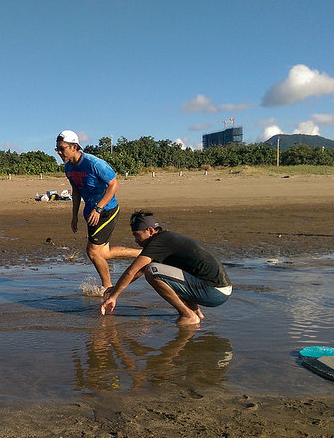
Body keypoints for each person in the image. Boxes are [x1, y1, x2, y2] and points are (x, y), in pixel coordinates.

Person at [101, 210, 232, 326]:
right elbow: (139, 270)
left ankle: (188, 315)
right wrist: (116, 289)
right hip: (219, 289)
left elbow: (132, 270)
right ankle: (196, 313)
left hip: (214, 291)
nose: (136, 240)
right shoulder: (165, 239)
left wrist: (113, 296)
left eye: (137, 235)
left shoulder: (157, 243)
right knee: (169, 274)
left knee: (152, 271)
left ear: (150, 231)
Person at [56, 130, 140, 291]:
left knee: (93, 252)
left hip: (106, 210)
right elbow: (76, 191)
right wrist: (74, 216)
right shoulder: (69, 168)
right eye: (57, 149)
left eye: (62, 148)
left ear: (74, 147)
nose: (59, 152)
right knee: (104, 252)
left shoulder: (94, 163)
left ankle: (107, 288)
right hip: (90, 212)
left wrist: (98, 208)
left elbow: (114, 184)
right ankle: (142, 254)